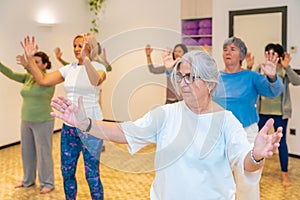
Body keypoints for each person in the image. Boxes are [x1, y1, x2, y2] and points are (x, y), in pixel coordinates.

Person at [50, 50, 282, 200]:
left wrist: (257, 155)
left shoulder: (226, 121)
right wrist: (85, 123)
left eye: (191, 77)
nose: (183, 83)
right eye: (180, 77)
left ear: (210, 84)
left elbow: (245, 164)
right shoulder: (166, 114)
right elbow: (124, 132)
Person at [21, 33, 106, 200]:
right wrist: (30, 60)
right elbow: (43, 80)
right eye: (74, 45)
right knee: (67, 172)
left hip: (91, 128)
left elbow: (96, 81)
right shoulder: (69, 69)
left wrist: (86, 60)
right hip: (70, 128)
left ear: (90, 47)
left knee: (92, 175)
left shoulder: (99, 67)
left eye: (81, 45)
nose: (76, 49)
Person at [213, 36, 284, 200]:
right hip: (219, 133)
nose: (227, 52)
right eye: (225, 49)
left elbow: (274, 91)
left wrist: (272, 77)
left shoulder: (251, 77)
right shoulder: (215, 77)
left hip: (247, 132)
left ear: (242, 55)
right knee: (216, 178)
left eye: (233, 49)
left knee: (247, 179)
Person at [0, 51, 55, 194]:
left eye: (36, 62)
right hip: (26, 120)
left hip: (43, 121)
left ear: (45, 65)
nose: (33, 64)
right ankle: (28, 180)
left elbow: (40, 79)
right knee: (27, 152)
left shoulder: (48, 78)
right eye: (32, 61)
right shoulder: (28, 78)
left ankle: (47, 182)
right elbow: (11, 74)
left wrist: (28, 66)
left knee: (44, 153)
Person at [247, 43, 300, 187]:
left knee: (281, 143)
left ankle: (285, 175)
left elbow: (297, 81)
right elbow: (249, 82)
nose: (270, 56)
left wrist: (287, 67)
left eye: (274, 53)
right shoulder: (261, 69)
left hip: (280, 114)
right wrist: (249, 67)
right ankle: (253, 170)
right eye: (268, 53)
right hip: (262, 112)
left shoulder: (284, 70)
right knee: (255, 141)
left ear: (279, 55)